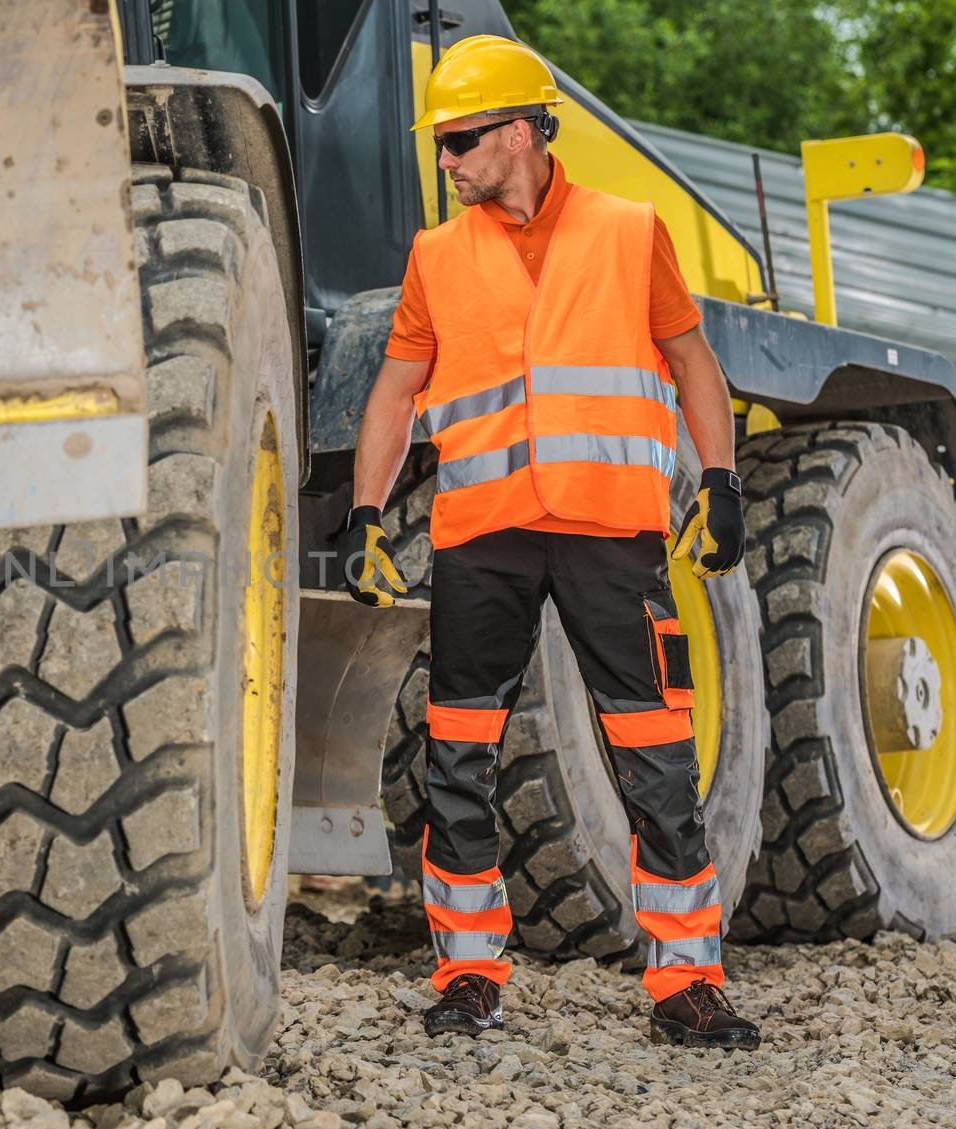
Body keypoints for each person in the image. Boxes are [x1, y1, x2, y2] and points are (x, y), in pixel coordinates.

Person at [342, 34, 759, 1050]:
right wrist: (364, 513)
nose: (445, 161)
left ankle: (685, 984)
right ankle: (468, 975)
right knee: (456, 763)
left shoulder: (628, 231)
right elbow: (396, 391)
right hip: (481, 539)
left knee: (658, 764)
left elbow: (690, 360)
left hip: (612, 540)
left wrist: (720, 482)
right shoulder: (435, 256)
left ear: (524, 132)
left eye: (462, 139)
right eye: (441, 143)